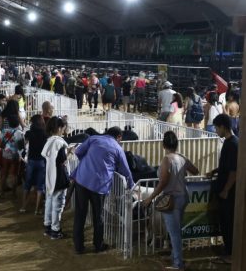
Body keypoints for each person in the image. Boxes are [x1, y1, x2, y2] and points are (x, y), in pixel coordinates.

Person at [72, 127, 134, 254]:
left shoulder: (93, 139)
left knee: (80, 214)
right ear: (119, 137)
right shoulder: (118, 148)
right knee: (98, 216)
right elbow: (126, 171)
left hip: (82, 180)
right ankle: (98, 245)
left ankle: (78, 246)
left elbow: (78, 152)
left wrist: (88, 163)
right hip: (99, 186)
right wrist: (132, 186)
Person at [143, 131, 199, 271]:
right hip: (183, 197)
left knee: (174, 233)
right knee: (176, 231)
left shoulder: (166, 160)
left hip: (171, 199)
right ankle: (176, 258)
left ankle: (178, 264)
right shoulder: (182, 158)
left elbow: (162, 182)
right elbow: (196, 171)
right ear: (176, 144)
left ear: (163, 144)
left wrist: (150, 197)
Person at [206, 114, 238, 265]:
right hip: (225, 189)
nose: (215, 130)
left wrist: (225, 190)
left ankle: (231, 254)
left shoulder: (232, 144)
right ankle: (228, 251)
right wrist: (215, 171)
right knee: (225, 222)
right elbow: (226, 166)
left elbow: (233, 171)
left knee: (228, 223)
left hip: (228, 193)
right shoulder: (230, 142)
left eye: (216, 127)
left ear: (223, 127)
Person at [42, 116, 73, 240]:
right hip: (58, 177)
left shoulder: (49, 141)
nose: (63, 131)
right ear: (59, 128)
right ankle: (55, 230)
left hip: (49, 176)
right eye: (63, 128)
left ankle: (48, 226)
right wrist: (70, 152)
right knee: (58, 204)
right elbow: (62, 161)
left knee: (49, 201)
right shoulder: (58, 142)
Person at [20, 115, 48, 215]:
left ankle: (23, 206)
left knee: (27, 184)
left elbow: (24, 144)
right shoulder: (45, 134)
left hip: (31, 160)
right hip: (41, 161)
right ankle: (37, 209)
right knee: (40, 186)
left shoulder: (29, 133)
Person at [0, 115, 24, 198]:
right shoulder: (19, 133)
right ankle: (14, 193)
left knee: (4, 174)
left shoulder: (4, 131)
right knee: (14, 175)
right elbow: (21, 146)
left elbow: (0, 142)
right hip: (15, 155)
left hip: (5, 155)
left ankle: (2, 193)